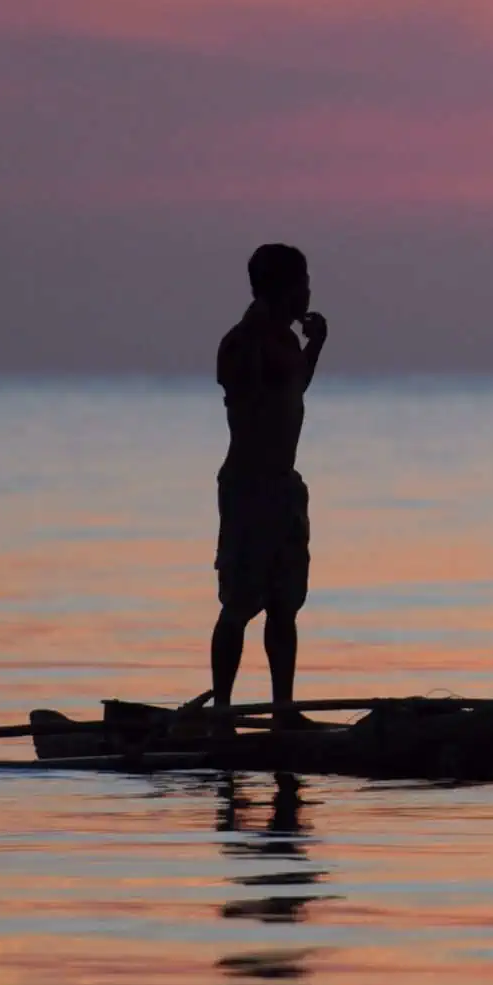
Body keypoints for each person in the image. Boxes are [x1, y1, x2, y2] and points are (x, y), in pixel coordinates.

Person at [210, 243, 328, 726]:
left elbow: (294, 385)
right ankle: (221, 711)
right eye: (301, 283)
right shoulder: (243, 341)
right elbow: (250, 389)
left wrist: (314, 346)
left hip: (284, 487)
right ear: (279, 288)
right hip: (249, 487)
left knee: (284, 603)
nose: (308, 292)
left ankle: (283, 709)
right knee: (239, 603)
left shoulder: (282, 340)